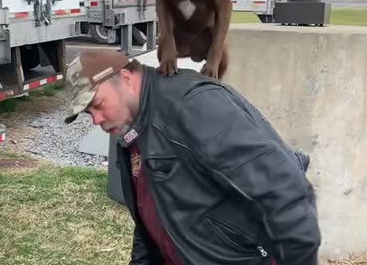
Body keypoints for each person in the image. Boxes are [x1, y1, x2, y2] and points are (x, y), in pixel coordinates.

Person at [63, 50, 321, 265]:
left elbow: (287, 192)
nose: (96, 120)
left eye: (97, 104)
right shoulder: (131, 129)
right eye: (88, 113)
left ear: (126, 79)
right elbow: (152, 214)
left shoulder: (193, 105)